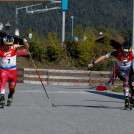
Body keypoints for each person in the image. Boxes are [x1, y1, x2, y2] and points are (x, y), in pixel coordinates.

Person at [88, 40, 134, 108]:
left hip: (129, 71)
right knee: (126, 79)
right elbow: (104, 57)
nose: (125, 54)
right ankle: (126, 99)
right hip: (120, 70)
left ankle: (132, 101)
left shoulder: (132, 52)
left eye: (127, 53)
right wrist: (93, 63)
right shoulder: (117, 53)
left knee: (133, 86)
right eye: (124, 52)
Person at [0, 34, 29, 107]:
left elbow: (25, 47)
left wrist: (25, 43)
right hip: (4, 70)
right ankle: (2, 96)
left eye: (10, 45)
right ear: (4, 43)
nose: (8, 46)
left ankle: (10, 95)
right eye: (7, 45)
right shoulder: (0, 49)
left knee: (12, 87)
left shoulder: (14, 47)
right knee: (3, 81)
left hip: (13, 72)